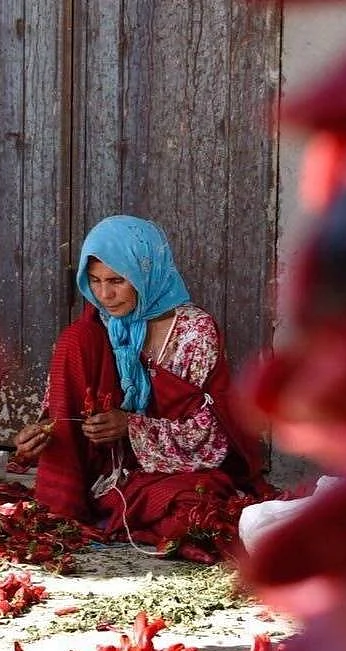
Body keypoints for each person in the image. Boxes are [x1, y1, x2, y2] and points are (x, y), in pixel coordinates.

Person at [14, 215, 265, 559]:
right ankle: (66, 500)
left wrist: (131, 427)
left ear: (146, 274)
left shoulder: (193, 331)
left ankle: (126, 507)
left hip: (174, 469)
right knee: (74, 340)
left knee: (191, 514)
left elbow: (210, 436)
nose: (104, 295)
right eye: (95, 280)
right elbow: (63, 408)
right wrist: (40, 435)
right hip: (108, 469)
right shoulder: (96, 327)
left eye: (117, 280)